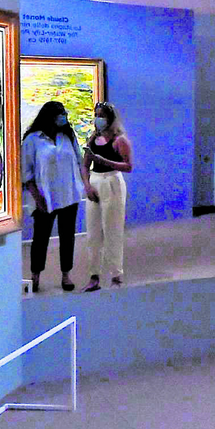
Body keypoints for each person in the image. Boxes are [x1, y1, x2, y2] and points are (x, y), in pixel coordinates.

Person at [22, 101, 89, 293]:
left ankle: (66, 275)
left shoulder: (67, 136)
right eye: (60, 113)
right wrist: (37, 197)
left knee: (67, 236)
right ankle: (35, 275)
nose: (63, 117)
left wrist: (86, 185)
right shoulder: (33, 140)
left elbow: (79, 161)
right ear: (49, 116)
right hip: (44, 197)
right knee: (40, 237)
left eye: (64, 113)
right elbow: (26, 172)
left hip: (69, 194)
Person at [82, 101, 134, 291]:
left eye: (102, 115)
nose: (98, 119)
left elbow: (128, 166)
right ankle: (94, 276)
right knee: (93, 233)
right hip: (95, 181)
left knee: (113, 230)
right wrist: (87, 185)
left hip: (112, 181)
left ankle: (116, 276)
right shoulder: (93, 139)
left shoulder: (120, 140)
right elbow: (85, 165)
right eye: (96, 115)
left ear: (110, 118)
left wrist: (104, 161)